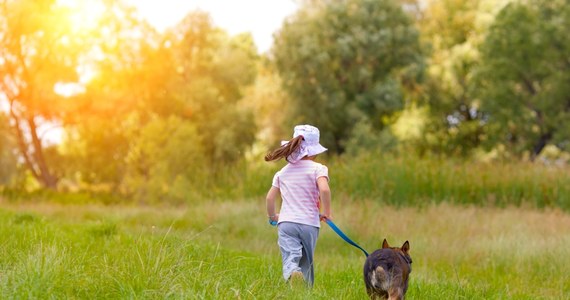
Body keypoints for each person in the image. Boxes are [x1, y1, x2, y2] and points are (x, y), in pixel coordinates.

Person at [264, 124, 332, 287]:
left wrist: (273, 216)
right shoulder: (318, 169)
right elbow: (324, 189)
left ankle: (293, 272)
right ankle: (305, 291)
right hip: (310, 224)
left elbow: (269, 198)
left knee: (290, 256)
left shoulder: (282, 172)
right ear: (314, 151)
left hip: (287, 223)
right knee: (306, 260)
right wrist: (326, 212)